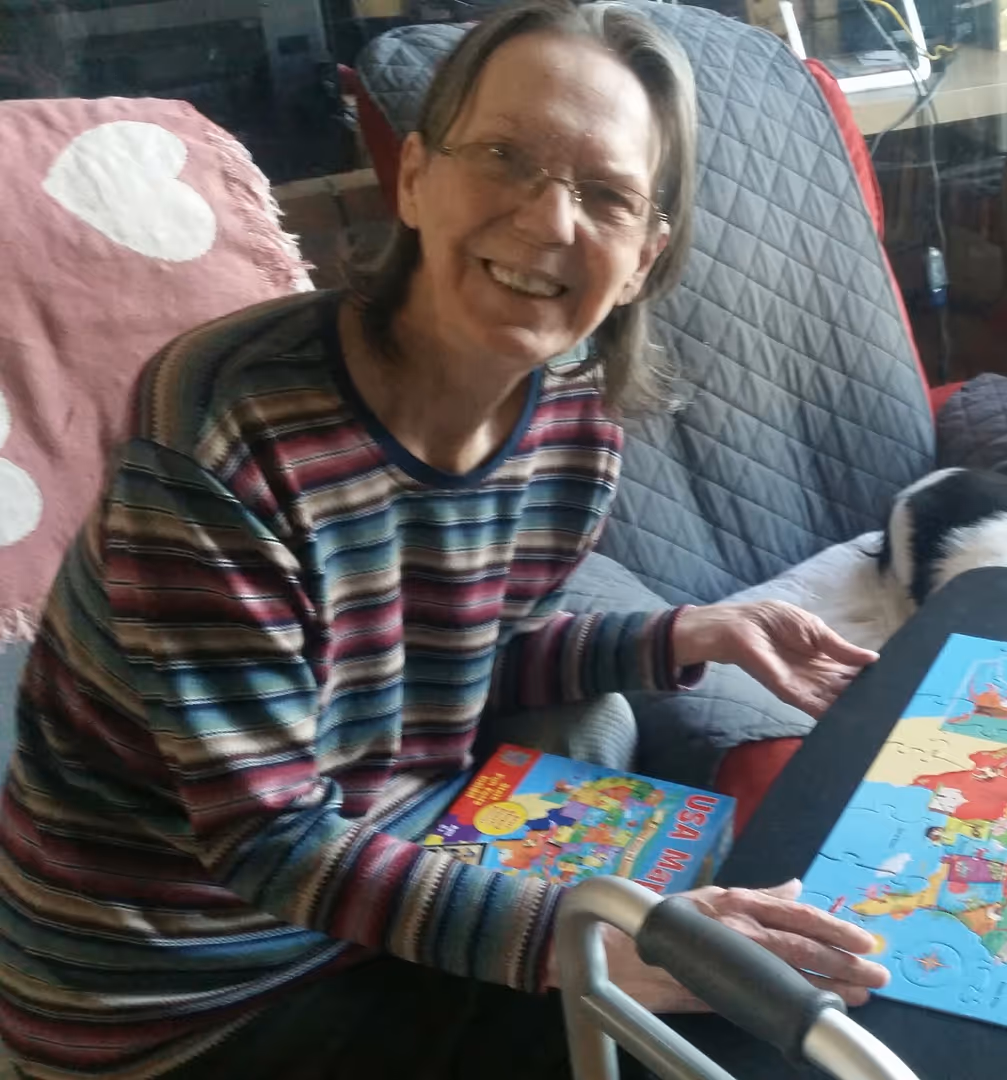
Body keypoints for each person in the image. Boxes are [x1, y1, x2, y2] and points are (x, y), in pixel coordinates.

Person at [0, 2, 889, 1076]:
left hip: (374, 856)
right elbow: (266, 836)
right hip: (182, 990)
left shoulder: (574, 419)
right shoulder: (223, 426)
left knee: (604, 729)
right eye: (506, 157)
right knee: (672, 1037)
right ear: (414, 177)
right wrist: (581, 941)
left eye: (604, 195)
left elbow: (450, 662)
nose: (549, 221)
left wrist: (694, 633)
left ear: (647, 254)